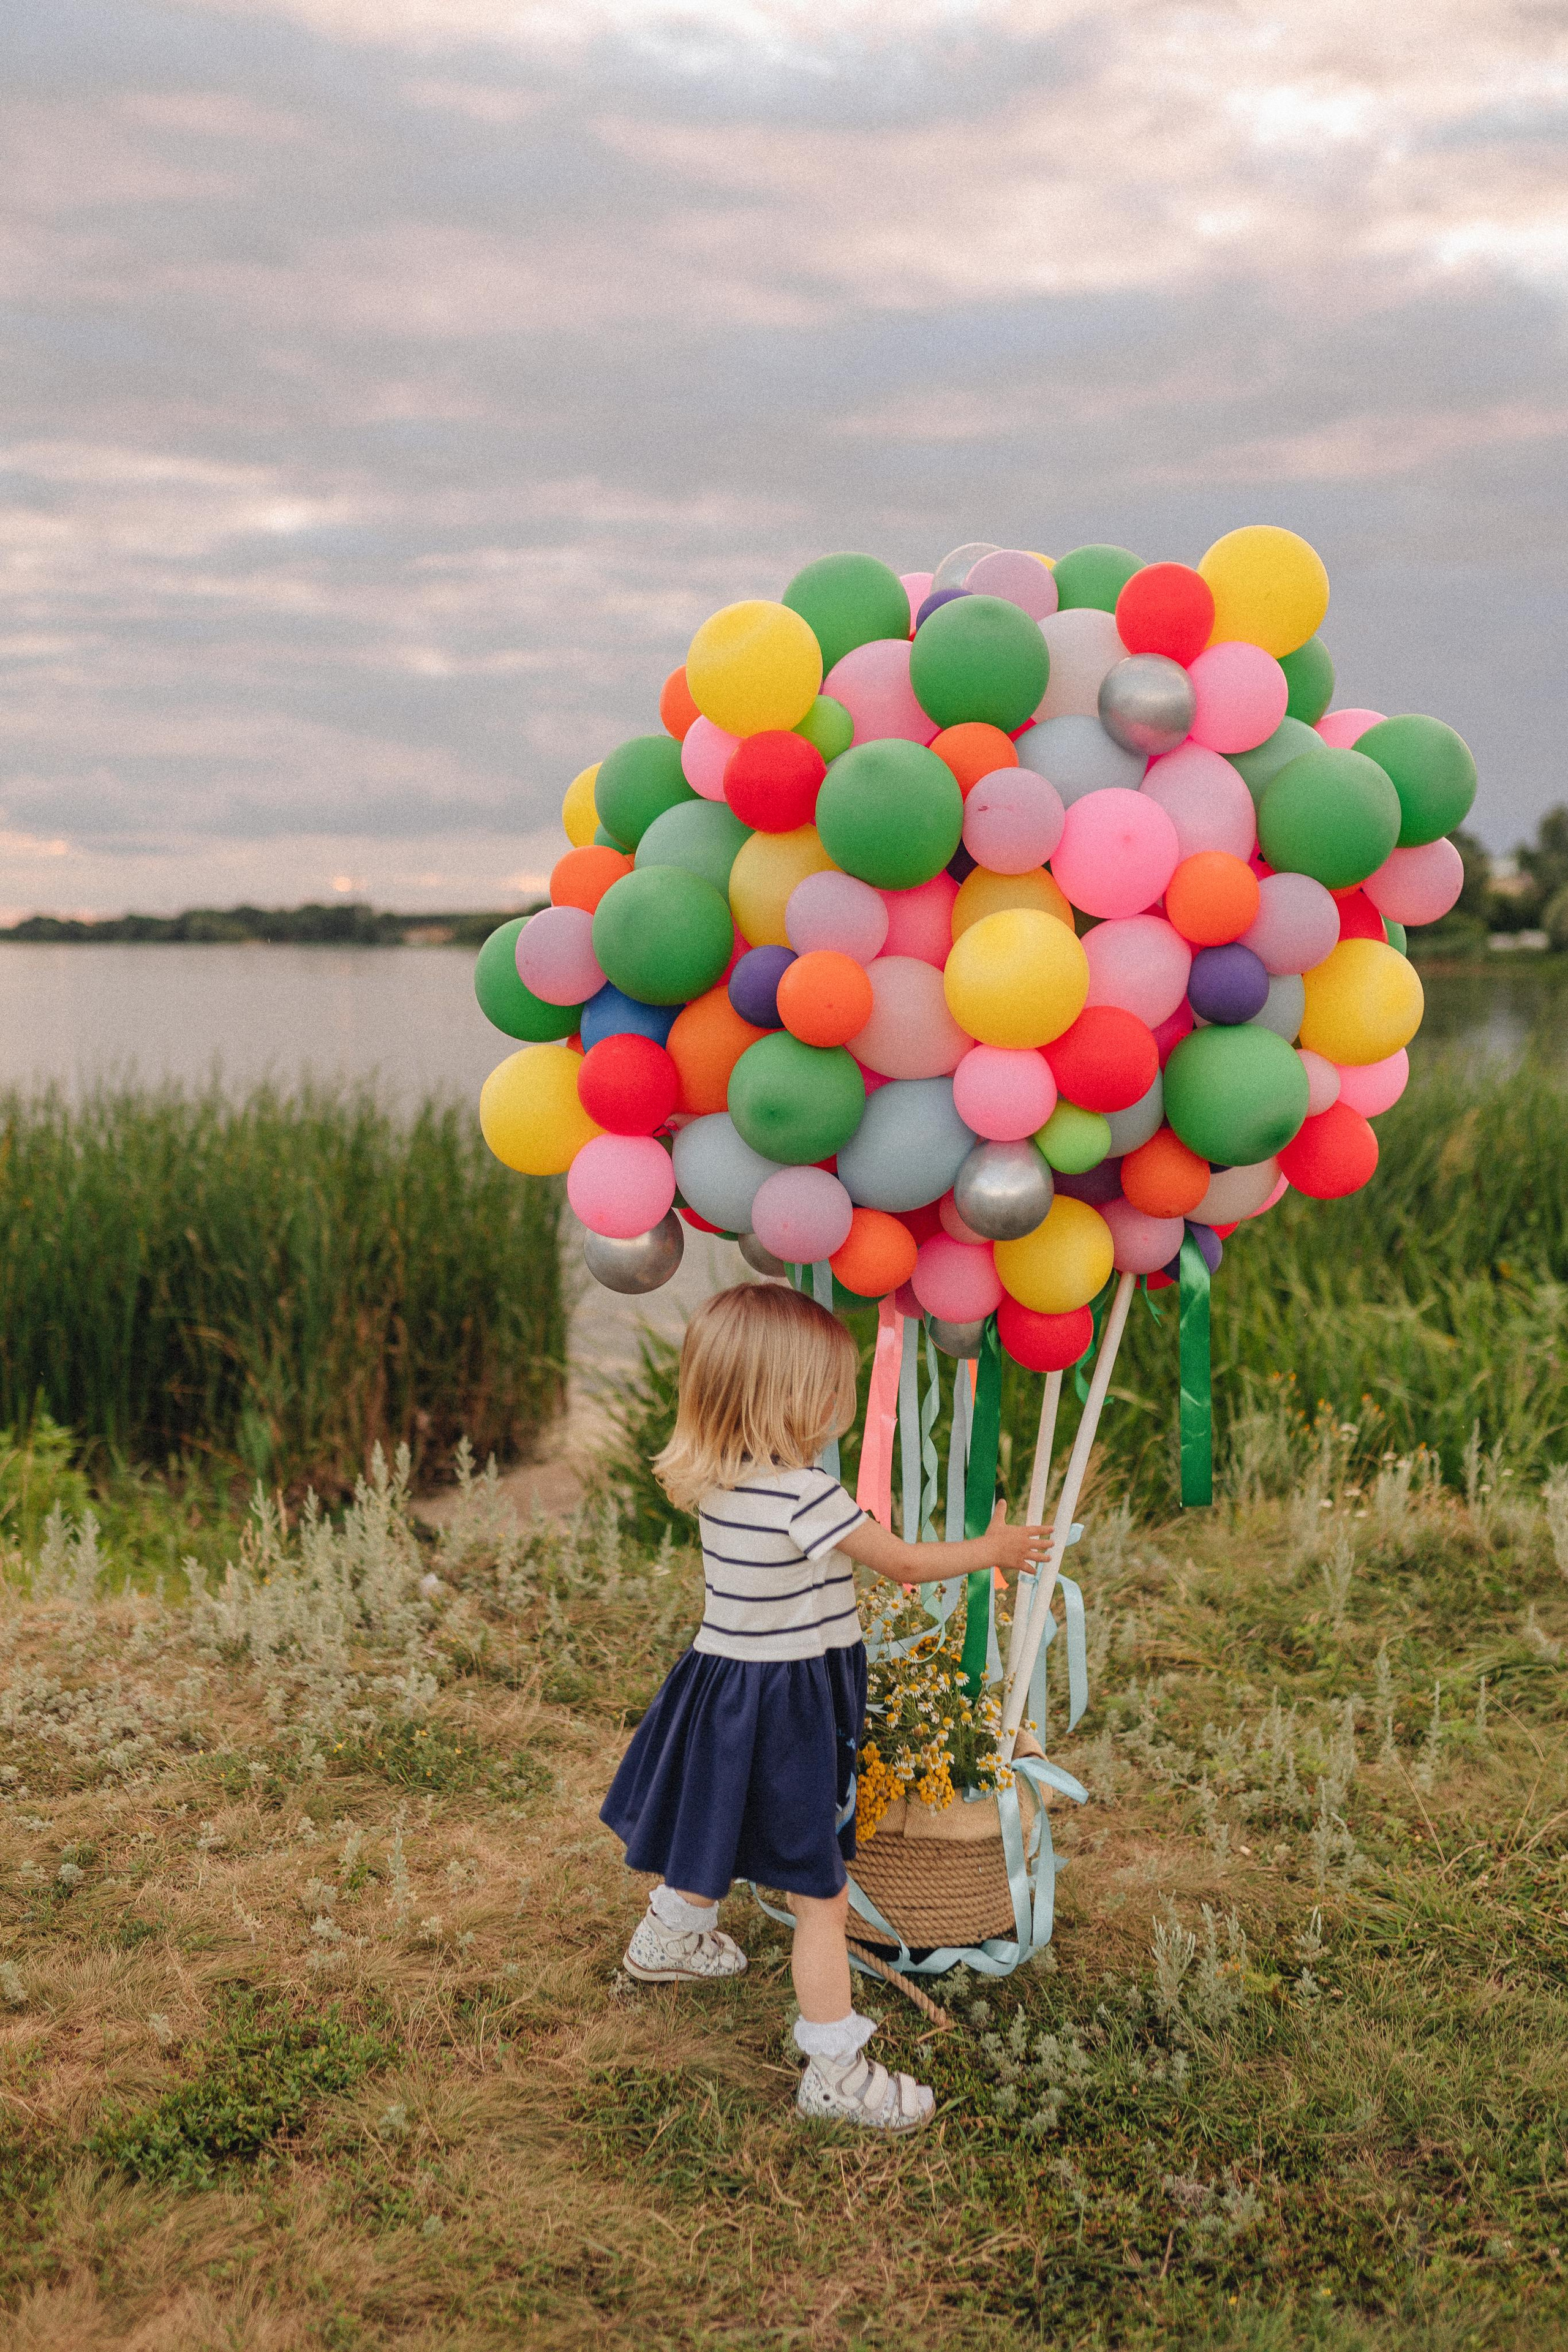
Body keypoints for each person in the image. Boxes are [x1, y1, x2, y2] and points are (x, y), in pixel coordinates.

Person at [600, 1281, 1050, 2132]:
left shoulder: (723, 1478)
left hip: (723, 1687)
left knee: (718, 1818)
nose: (846, 1397)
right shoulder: (808, 1496)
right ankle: (835, 2069)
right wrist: (993, 1549)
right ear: (794, 1398)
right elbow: (907, 1566)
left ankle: (669, 1936)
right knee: (823, 1895)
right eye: (837, 1383)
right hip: (790, 1705)